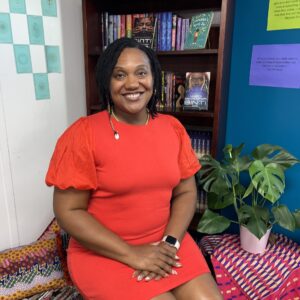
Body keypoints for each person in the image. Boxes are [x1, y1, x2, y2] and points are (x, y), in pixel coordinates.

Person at [45, 37, 222, 300]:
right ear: (107, 81)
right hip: (105, 253)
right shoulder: (83, 134)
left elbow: (185, 192)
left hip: (166, 241)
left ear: (154, 78)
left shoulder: (172, 128)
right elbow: (68, 211)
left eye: (141, 72)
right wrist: (133, 254)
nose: (132, 83)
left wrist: (170, 242)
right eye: (119, 74)